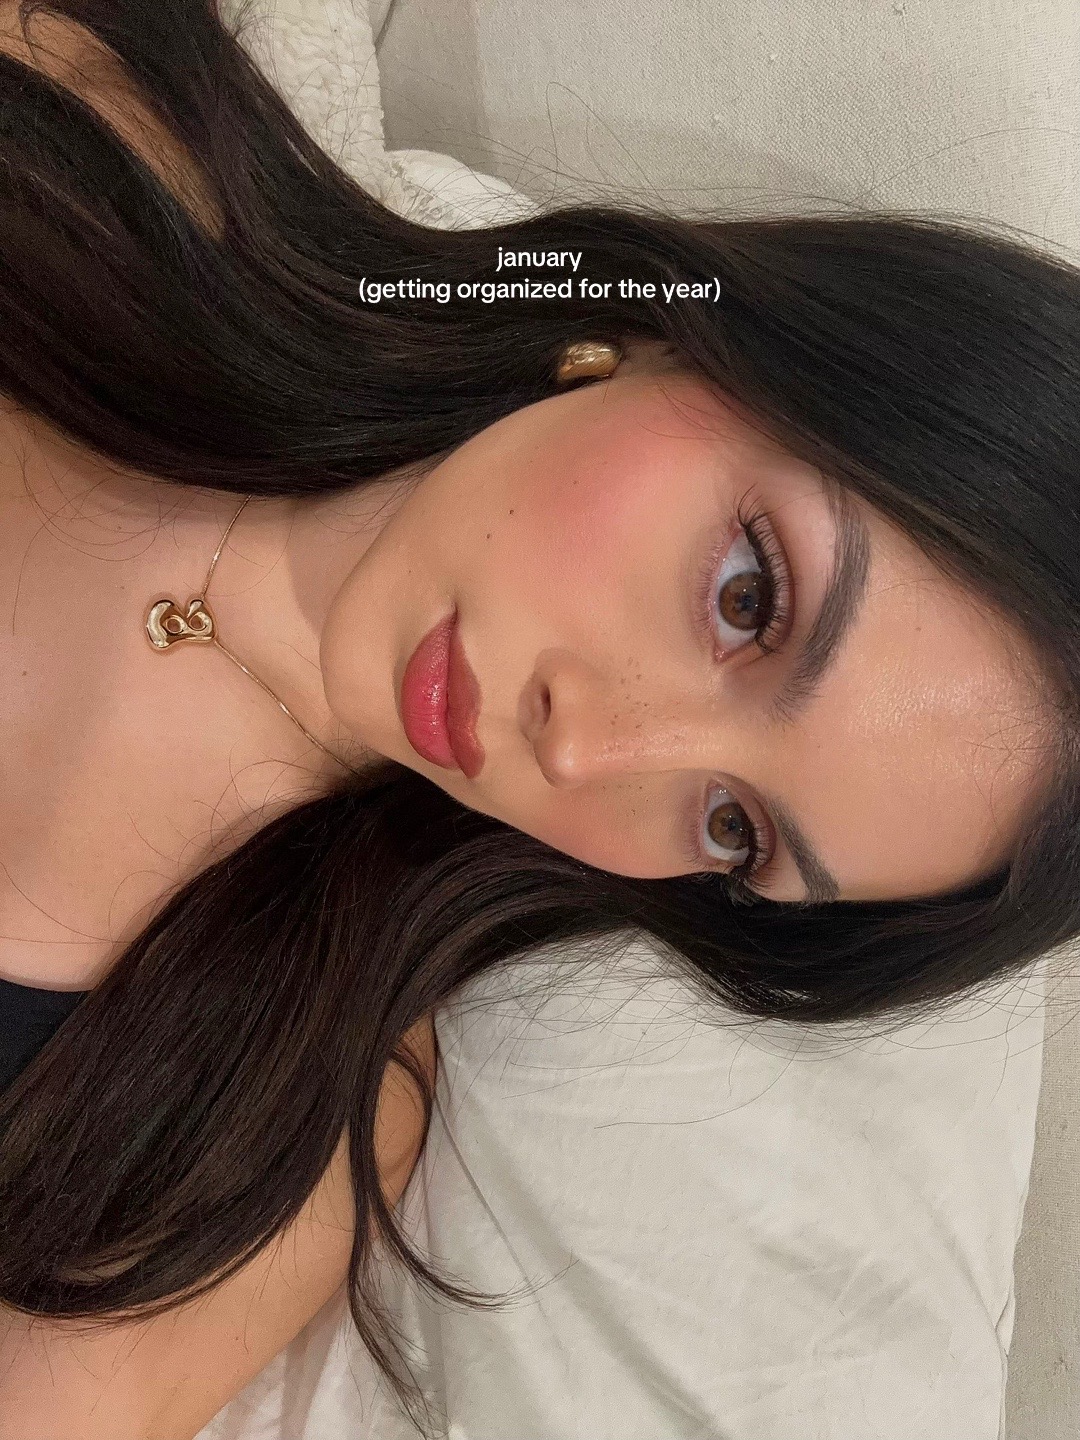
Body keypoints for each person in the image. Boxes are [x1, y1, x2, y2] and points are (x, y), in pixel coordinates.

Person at [0, 1, 1076, 1435]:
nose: (585, 752)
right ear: (692, 341)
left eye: (734, 828)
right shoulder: (85, 130)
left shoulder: (269, 1127)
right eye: (749, 597)